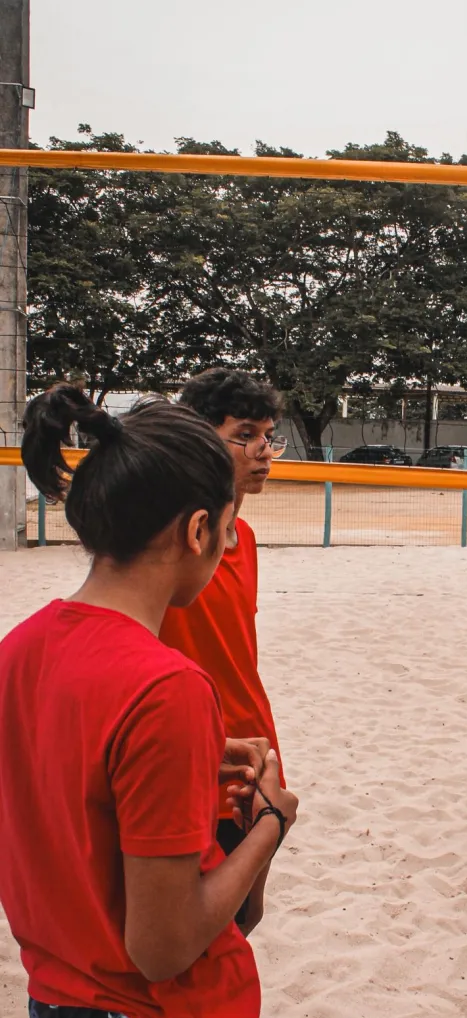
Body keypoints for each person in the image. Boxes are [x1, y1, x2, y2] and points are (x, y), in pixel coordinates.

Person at [0, 384, 299, 1018]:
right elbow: (164, 948)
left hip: (57, 998)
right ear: (198, 531)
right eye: (222, 529)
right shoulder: (167, 688)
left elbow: (73, 796)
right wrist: (270, 827)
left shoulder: (18, 649)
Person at [160, 367, 288, 936]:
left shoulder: (247, 538)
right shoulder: (169, 539)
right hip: (190, 761)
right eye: (246, 434)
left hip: (252, 752)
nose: (263, 450)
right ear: (202, 436)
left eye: (268, 435)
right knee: (196, 936)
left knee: (243, 921)